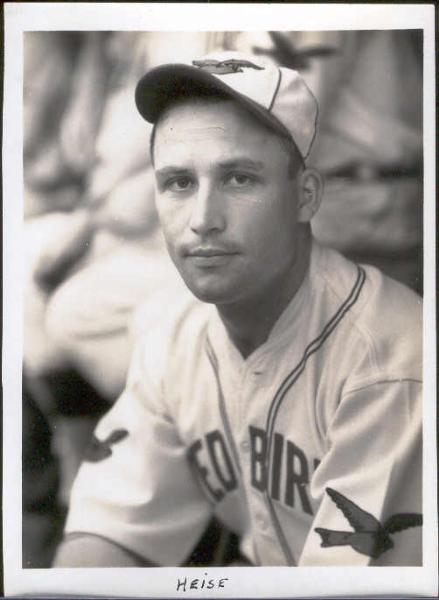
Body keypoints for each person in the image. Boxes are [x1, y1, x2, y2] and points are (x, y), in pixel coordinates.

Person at [53, 51, 422, 567]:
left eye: (239, 179)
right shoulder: (176, 334)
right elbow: (106, 537)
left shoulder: (390, 366)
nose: (203, 219)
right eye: (179, 182)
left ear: (306, 196)